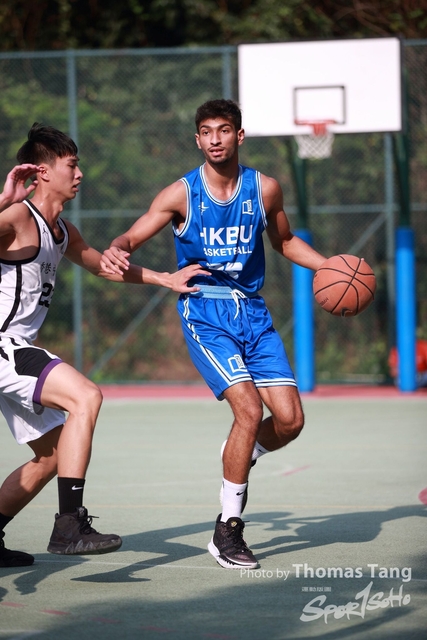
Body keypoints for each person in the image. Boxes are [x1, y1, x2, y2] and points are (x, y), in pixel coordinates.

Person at [101, 99, 327, 570]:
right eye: (206, 132)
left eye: (223, 130)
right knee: (249, 410)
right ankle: (228, 531)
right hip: (205, 312)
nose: (215, 139)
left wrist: (328, 266)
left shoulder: (264, 188)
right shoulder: (181, 194)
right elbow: (131, 237)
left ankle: (241, 452)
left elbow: (284, 241)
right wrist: (118, 247)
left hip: (253, 313)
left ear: (239, 136)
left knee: (290, 421)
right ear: (197, 139)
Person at [0, 124, 208, 568]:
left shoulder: (63, 231)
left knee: (52, 456)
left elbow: (102, 266)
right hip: (4, 346)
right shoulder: (17, 217)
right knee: (86, 396)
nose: (79, 174)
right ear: (43, 172)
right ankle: (69, 526)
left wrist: (165, 278)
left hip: (16, 348)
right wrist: (2, 201)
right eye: (71, 165)